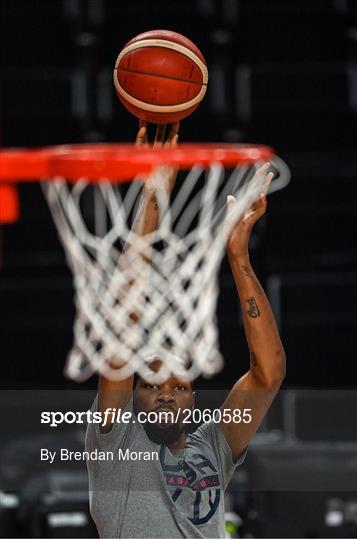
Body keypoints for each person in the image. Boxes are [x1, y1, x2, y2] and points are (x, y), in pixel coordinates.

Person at [85, 122, 286, 538]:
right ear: (129, 397)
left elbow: (269, 374)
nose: (166, 391)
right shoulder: (116, 444)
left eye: (179, 387)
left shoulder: (211, 447)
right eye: (153, 382)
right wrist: (154, 196)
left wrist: (238, 257)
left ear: (193, 402)